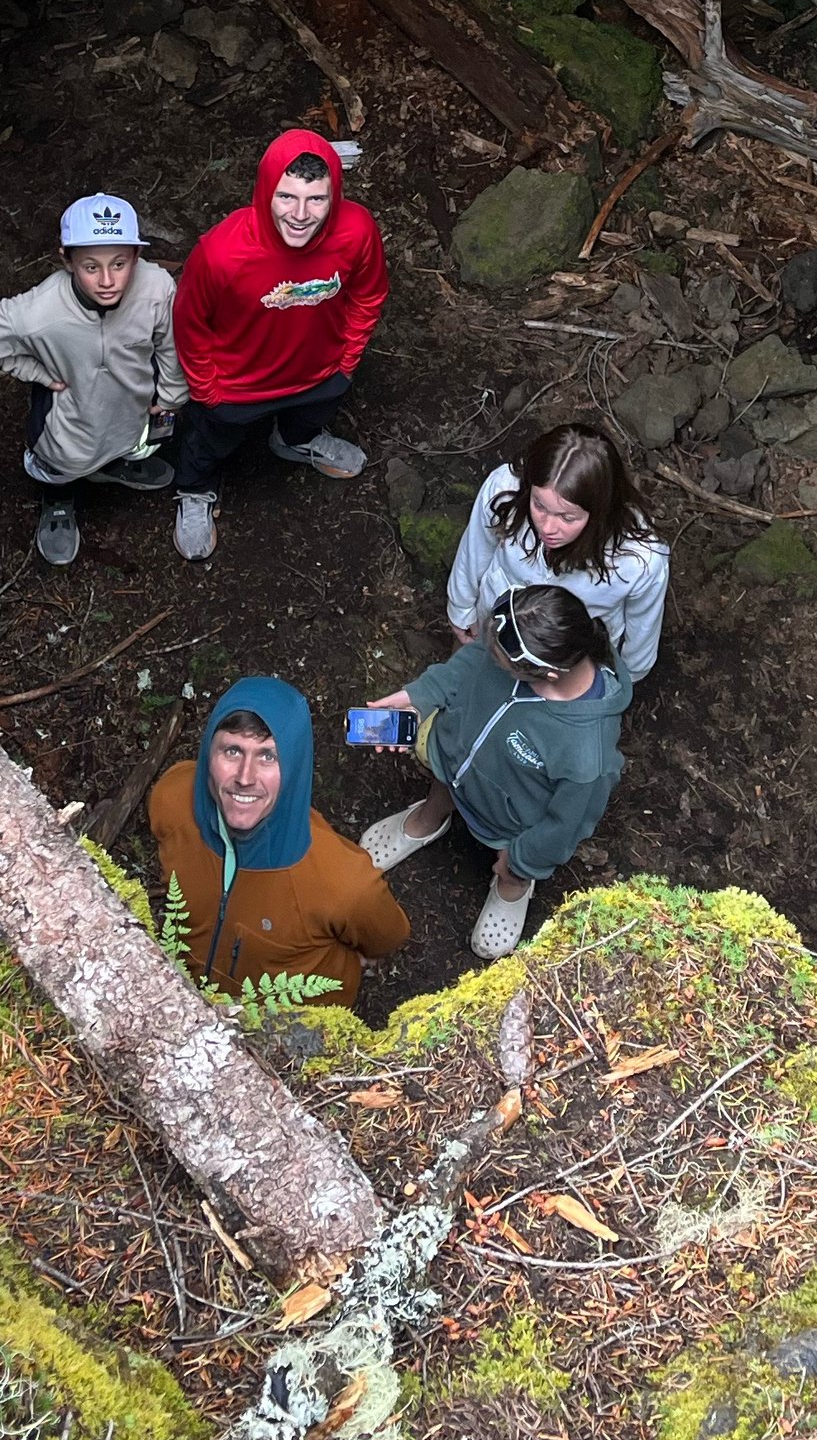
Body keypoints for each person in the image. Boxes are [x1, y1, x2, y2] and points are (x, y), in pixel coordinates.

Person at [358, 587, 628, 963]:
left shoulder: (587, 754)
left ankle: (512, 887)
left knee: (513, 865)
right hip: (454, 755)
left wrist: (521, 861)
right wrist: (419, 697)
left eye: (503, 664)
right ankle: (427, 819)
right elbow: (469, 663)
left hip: (512, 820)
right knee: (444, 778)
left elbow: (565, 824)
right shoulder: (519, 638)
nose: (490, 658)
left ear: (548, 674)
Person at [169, 128, 389, 563]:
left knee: (309, 416)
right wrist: (208, 390)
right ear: (266, 190)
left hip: (321, 372)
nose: (301, 215)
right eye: (287, 197)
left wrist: (347, 359)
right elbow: (190, 323)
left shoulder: (357, 230)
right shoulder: (221, 253)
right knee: (208, 442)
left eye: (317, 199)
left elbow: (368, 293)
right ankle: (194, 490)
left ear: (335, 195)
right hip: (236, 386)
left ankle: (296, 440)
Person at [0, 193, 184, 568]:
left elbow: (168, 343)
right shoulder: (39, 311)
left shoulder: (156, 287)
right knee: (61, 461)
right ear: (67, 260)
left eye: (119, 263)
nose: (107, 281)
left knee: (125, 437)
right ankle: (59, 499)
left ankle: (111, 465)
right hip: (70, 414)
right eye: (91, 267)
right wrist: (31, 370)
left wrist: (169, 396)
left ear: (137, 257)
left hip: (131, 403)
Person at [148, 678, 409, 1008]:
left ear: (296, 766)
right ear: (207, 753)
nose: (245, 776)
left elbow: (389, 935)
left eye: (268, 756)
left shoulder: (344, 884)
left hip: (293, 1026)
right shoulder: (171, 800)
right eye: (232, 750)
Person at [446, 422, 670, 680]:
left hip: (571, 662)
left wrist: (625, 678)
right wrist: (461, 609)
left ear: (599, 510)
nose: (548, 527)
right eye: (539, 505)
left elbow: (643, 627)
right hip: (495, 624)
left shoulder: (640, 559)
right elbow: (475, 550)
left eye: (567, 517)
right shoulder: (504, 490)